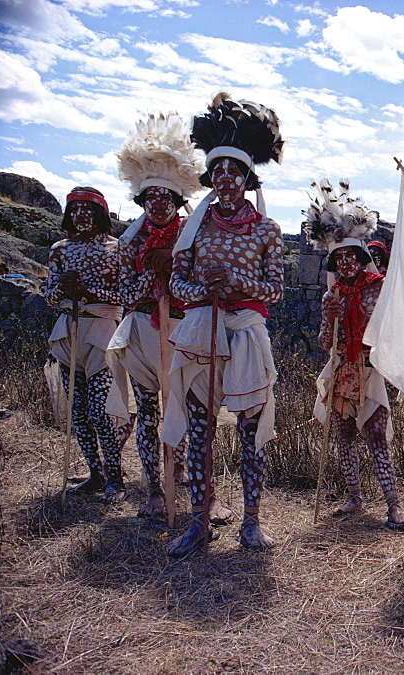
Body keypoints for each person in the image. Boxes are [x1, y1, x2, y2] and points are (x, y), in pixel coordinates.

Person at [161, 93, 284, 555]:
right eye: (218, 172)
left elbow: (276, 289)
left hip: (247, 331)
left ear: (247, 179)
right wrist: (203, 294)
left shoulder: (267, 231)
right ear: (211, 179)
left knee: (251, 429)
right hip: (200, 332)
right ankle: (198, 521)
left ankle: (251, 522)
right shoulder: (193, 228)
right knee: (200, 427)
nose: (226, 179)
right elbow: (178, 282)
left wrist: (234, 286)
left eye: (234, 171)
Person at [108, 113, 234, 521]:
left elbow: (200, 282)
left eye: (166, 198)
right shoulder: (130, 243)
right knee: (148, 410)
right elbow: (120, 292)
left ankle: (192, 484)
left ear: (178, 202)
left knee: (193, 409)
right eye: (151, 199)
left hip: (185, 331)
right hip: (143, 332)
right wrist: (151, 273)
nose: (158, 205)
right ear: (142, 202)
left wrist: (175, 272)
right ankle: (156, 492)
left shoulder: (195, 235)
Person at [305, 180, 404, 529]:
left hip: (369, 369)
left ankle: (393, 504)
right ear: (335, 262)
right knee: (344, 437)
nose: (347, 262)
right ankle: (354, 497)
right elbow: (324, 342)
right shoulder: (330, 297)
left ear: (362, 259)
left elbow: (387, 333)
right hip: (340, 371)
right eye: (340, 258)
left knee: (376, 435)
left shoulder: (378, 288)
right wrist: (330, 320)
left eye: (352, 256)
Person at [46, 187, 127, 502]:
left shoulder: (116, 249)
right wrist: (63, 290)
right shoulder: (59, 249)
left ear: (100, 215)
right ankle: (96, 474)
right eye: (74, 209)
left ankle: (116, 478)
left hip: (102, 333)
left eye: (87, 209)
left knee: (99, 409)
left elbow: (124, 296)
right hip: (68, 331)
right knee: (77, 411)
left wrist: (89, 291)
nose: (80, 215)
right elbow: (50, 297)